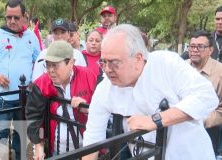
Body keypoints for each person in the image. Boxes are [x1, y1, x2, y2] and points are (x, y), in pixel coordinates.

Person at [82, 24, 218, 160]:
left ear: (138, 58)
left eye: (114, 62)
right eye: (103, 62)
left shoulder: (165, 64)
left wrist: (156, 120)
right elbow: (93, 136)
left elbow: (206, 96)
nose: (107, 69)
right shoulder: (105, 88)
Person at [0, 0, 40, 159]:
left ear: (24, 17)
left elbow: (39, 60)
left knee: (21, 132)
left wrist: (34, 80)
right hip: (3, 96)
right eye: (9, 17)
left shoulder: (31, 36)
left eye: (16, 17)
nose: (12, 21)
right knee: (2, 133)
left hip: (24, 96)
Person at [26, 40, 97, 159]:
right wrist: (38, 143)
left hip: (88, 148)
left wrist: (88, 108)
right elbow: (34, 116)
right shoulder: (42, 84)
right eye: (48, 65)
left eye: (55, 65)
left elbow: (106, 108)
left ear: (71, 63)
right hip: (58, 151)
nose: (51, 70)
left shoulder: (89, 76)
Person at [187, 30, 222, 156]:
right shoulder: (182, 68)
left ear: (211, 50)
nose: (195, 50)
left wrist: (201, 121)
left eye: (200, 46)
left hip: (209, 132)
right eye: (192, 46)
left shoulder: (219, 73)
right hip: (180, 131)